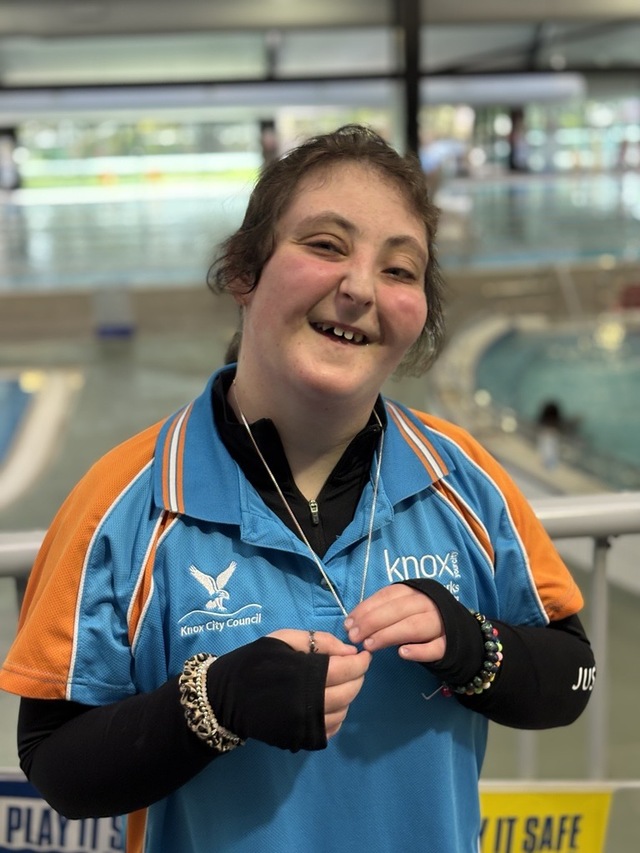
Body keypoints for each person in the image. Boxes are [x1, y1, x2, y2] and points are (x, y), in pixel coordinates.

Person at [0, 125, 595, 852]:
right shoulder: (123, 503)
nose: (360, 288)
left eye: (399, 268)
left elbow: (574, 677)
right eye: (326, 245)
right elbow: (57, 765)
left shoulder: (463, 479)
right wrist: (214, 703)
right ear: (244, 271)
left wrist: (473, 645)